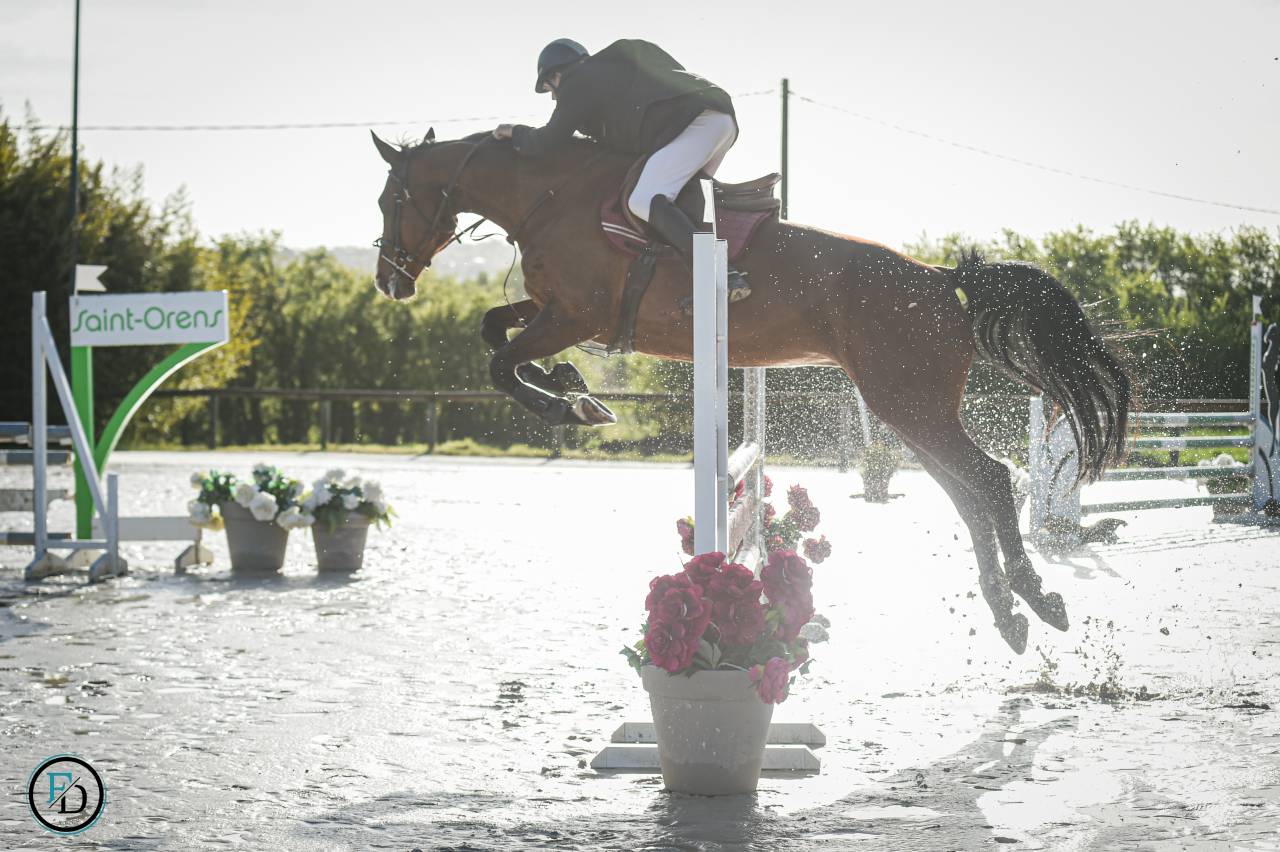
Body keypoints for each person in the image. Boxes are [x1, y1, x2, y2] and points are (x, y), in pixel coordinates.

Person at [494, 38, 750, 300]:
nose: (552, 96)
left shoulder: (577, 80)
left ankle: (719, 272)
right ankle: (712, 280)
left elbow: (547, 141)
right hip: (721, 121)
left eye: (550, 87)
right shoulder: (615, 68)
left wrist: (515, 132)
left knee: (644, 200)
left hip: (695, 126)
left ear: (556, 73)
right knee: (684, 199)